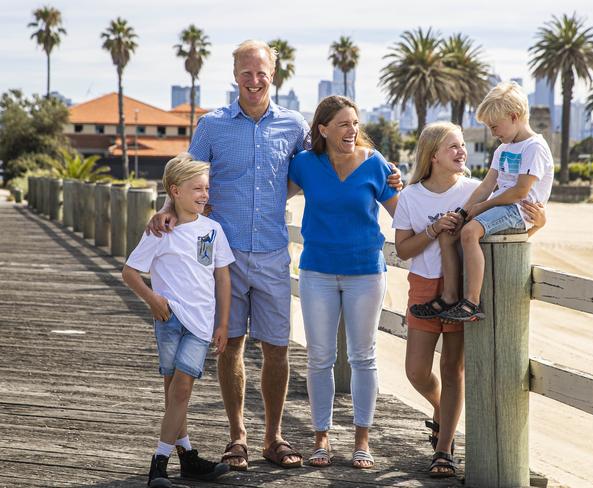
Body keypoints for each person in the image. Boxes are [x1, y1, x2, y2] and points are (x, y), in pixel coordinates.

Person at [147, 40, 402, 471]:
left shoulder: (294, 125)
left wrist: (386, 169)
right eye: (246, 72)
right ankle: (237, 437)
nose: (253, 80)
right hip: (222, 256)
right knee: (229, 345)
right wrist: (168, 208)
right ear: (234, 75)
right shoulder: (212, 125)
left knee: (278, 348)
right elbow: (186, 175)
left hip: (271, 252)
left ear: (274, 75)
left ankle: (273, 436)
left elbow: (332, 151)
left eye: (261, 72)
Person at [395, 122, 547, 478]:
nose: (462, 152)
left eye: (462, 145)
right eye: (453, 147)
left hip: (463, 289)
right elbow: (403, 250)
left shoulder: (475, 191)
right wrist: (434, 230)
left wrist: (539, 222)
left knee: (452, 369)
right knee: (416, 371)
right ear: (433, 155)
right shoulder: (411, 196)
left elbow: (513, 218)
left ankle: (444, 448)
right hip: (423, 284)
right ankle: (440, 408)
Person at [287, 95, 400, 469]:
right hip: (317, 270)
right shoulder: (304, 164)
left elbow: (405, 211)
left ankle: (362, 441)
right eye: (342, 124)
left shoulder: (375, 164)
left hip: (366, 272)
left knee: (362, 356)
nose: (352, 131)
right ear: (323, 129)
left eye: (354, 123)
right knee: (320, 357)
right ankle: (321, 438)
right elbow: (269, 195)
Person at [122, 154, 234, 487]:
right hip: (168, 320)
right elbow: (129, 273)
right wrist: (153, 299)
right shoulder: (161, 230)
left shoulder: (212, 230)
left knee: (181, 391)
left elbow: (223, 278)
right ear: (175, 190)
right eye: (197, 188)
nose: (204, 194)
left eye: (207, 188)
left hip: (201, 324)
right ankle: (186, 458)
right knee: (175, 393)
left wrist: (223, 324)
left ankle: (158, 463)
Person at [411, 81, 554, 323]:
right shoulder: (503, 150)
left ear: (514, 116)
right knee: (449, 234)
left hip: (519, 211)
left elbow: (520, 191)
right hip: (501, 206)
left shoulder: (534, 147)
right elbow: (487, 186)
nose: (493, 133)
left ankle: (470, 302)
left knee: (469, 233)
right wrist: (463, 213)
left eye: (495, 126)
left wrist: (481, 208)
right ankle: (449, 296)